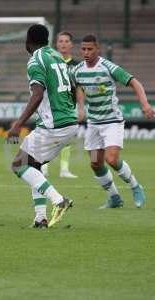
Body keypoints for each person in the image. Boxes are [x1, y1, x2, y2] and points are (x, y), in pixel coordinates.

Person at [7, 24, 77, 228]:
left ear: (28, 41)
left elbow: (37, 95)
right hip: (68, 121)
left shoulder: (36, 60)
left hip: (54, 125)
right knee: (34, 166)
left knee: (19, 165)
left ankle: (58, 200)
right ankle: (40, 219)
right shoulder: (57, 57)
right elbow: (72, 87)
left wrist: (17, 125)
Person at [73, 34, 154, 208]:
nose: (86, 52)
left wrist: (145, 104)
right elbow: (78, 86)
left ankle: (135, 186)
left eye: (90, 49)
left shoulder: (108, 67)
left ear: (98, 49)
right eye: (83, 49)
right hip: (93, 124)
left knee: (111, 159)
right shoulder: (78, 70)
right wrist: (81, 107)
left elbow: (135, 82)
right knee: (95, 163)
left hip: (112, 122)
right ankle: (114, 198)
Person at [41, 31, 79, 179]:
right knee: (47, 135)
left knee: (67, 137)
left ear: (71, 44)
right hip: (51, 105)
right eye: (60, 41)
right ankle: (43, 167)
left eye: (66, 41)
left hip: (69, 105)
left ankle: (64, 170)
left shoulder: (76, 65)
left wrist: (81, 107)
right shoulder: (50, 61)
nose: (63, 44)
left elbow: (80, 88)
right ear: (56, 44)